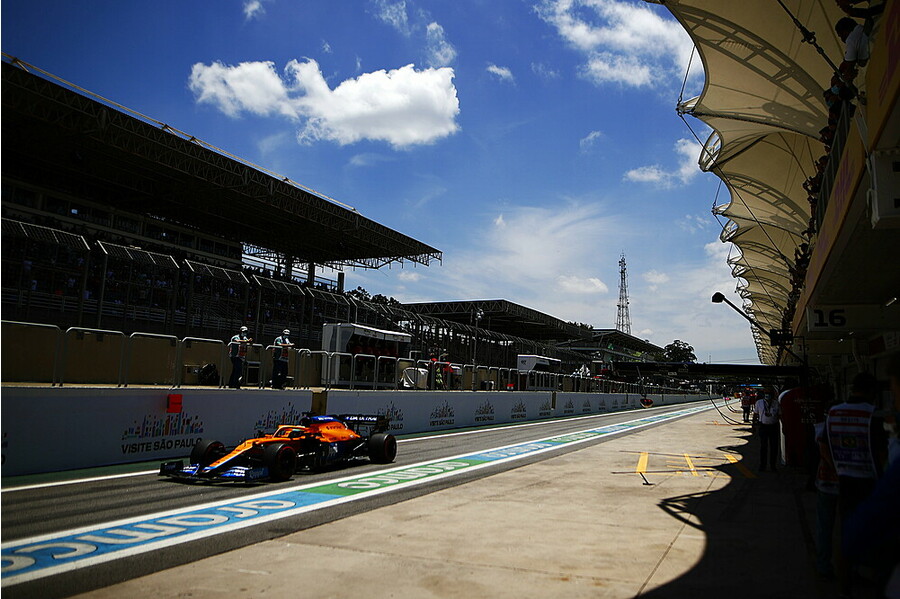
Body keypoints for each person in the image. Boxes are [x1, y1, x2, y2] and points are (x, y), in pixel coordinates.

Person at [825, 372, 887, 597]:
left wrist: (836, 468)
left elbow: (824, 444)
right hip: (870, 482)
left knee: (845, 531)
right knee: (877, 535)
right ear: (872, 392)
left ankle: (845, 584)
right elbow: (882, 452)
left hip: (843, 479)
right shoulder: (874, 415)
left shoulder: (834, 413)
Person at [755, 390, 781, 471]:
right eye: (766, 394)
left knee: (774, 447)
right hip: (763, 426)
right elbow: (756, 414)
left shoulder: (776, 403)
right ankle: (763, 465)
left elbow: (780, 415)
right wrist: (754, 425)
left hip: (773, 426)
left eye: (769, 394)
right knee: (763, 446)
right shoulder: (759, 403)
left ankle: (773, 465)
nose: (768, 396)